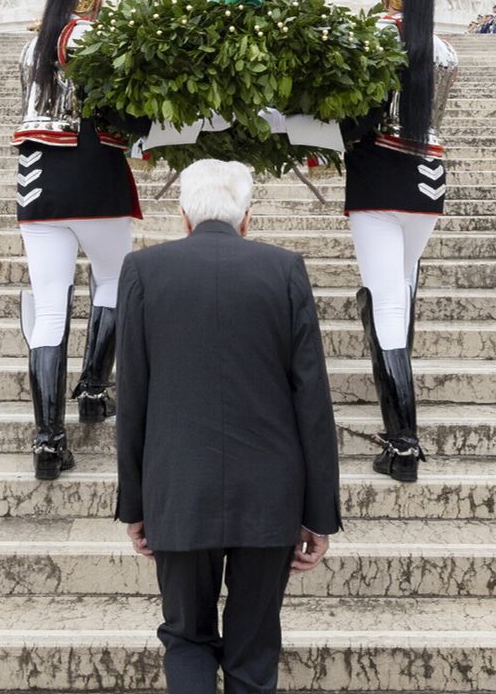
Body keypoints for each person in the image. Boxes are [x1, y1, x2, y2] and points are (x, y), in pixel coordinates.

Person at [116, 159, 340, 694]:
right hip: (269, 491)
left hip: (179, 486)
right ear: (247, 217)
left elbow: (133, 396)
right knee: (254, 645)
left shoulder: (143, 271)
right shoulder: (284, 269)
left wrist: (136, 504)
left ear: (183, 216)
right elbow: (312, 398)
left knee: (187, 637)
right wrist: (320, 513)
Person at [14, 0, 144, 479]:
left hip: (37, 184)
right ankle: (92, 387)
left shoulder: (32, 44)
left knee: (48, 307)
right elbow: (124, 115)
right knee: (111, 282)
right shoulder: (94, 42)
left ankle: (48, 440)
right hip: (94, 180)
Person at [341, 0, 458, 484]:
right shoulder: (442, 47)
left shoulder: (374, 39)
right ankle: (399, 429)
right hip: (428, 179)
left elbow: (357, 118)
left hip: (379, 180)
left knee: (387, 302)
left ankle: (404, 441)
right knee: (403, 290)